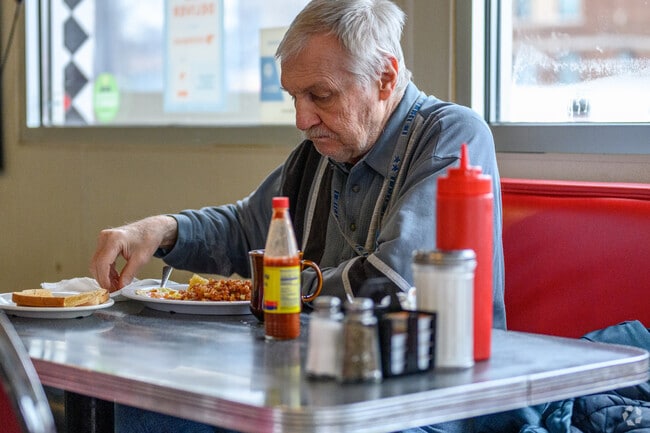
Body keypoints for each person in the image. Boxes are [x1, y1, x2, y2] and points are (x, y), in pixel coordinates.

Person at [91, 1, 506, 432]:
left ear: (384, 78)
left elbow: (394, 280)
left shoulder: (452, 136)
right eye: (294, 97)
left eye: (320, 95)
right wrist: (163, 231)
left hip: (420, 402)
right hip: (317, 380)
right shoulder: (319, 154)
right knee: (149, 398)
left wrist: (274, 287)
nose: (301, 119)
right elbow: (247, 229)